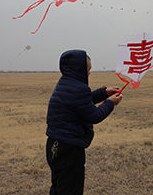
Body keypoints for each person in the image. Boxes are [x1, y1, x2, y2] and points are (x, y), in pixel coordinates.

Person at [46, 50, 123, 195]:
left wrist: (104, 92)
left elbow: (82, 102)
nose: (88, 74)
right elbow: (94, 115)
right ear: (79, 69)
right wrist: (110, 103)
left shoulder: (66, 83)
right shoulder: (78, 89)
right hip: (69, 150)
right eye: (88, 70)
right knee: (70, 190)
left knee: (59, 187)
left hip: (55, 146)